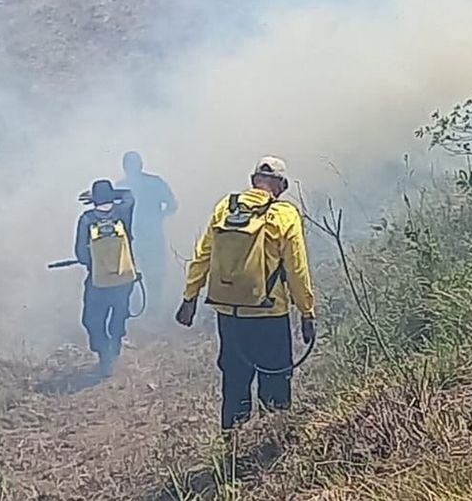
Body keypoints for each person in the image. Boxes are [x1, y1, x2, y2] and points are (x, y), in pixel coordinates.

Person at [175, 156, 316, 432]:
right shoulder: (285, 215)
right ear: (282, 186)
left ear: (253, 182)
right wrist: (307, 312)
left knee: (235, 382)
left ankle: (232, 449)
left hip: (230, 314)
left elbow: (203, 254)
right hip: (269, 315)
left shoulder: (225, 208)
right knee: (275, 383)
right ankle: (271, 448)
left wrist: (189, 297)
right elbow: (297, 268)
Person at [74, 179, 137, 377]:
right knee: (119, 314)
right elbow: (129, 195)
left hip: (98, 282)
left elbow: (81, 255)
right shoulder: (123, 212)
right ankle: (115, 345)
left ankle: (104, 355)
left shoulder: (86, 219)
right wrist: (111, 194)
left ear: (93, 199)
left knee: (92, 320)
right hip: (125, 279)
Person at [116, 151, 177, 314]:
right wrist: (158, 217)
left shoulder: (120, 188)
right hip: (144, 236)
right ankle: (150, 310)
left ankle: (139, 310)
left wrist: (157, 218)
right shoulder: (153, 183)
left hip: (134, 238)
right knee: (152, 274)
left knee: (135, 274)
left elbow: (172, 205)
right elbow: (172, 206)